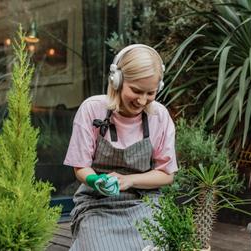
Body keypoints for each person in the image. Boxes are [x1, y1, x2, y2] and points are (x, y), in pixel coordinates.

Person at [63, 44, 178, 250]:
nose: (142, 100)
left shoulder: (159, 116)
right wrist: (95, 180)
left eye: (150, 92)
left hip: (145, 202)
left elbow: (166, 175)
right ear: (117, 81)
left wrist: (129, 180)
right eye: (136, 90)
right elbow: (80, 167)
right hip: (97, 203)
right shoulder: (92, 109)